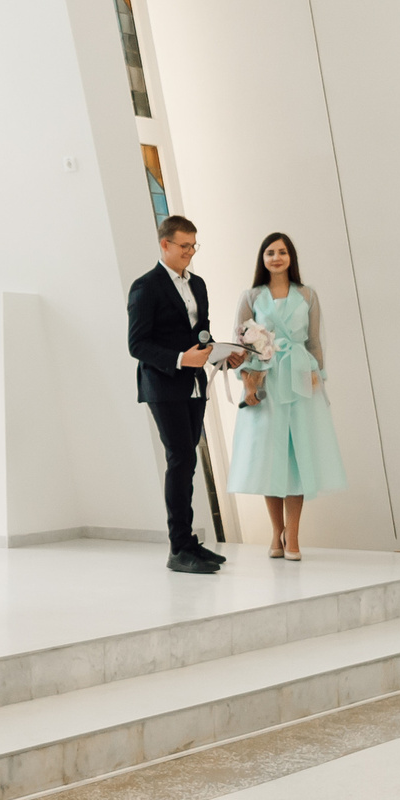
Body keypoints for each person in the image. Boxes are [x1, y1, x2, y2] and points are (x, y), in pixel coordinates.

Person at [228, 232, 346, 559]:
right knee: (270, 458)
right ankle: (275, 532)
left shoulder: (307, 295)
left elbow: (314, 341)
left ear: (290, 257)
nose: (276, 257)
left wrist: (318, 373)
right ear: (262, 259)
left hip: (299, 378)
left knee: (298, 456)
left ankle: (292, 535)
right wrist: (247, 382)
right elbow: (240, 346)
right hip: (266, 380)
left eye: (282, 252)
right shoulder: (251, 296)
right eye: (270, 252)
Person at [128, 215, 225, 574]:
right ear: (164, 244)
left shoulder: (197, 284)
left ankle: (188, 543)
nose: (190, 252)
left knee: (189, 462)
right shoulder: (146, 286)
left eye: (193, 246)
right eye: (184, 246)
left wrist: (220, 352)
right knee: (180, 458)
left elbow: (202, 331)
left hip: (195, 384)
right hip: (164, 384)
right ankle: (177, 548)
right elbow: (137, 344)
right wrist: (182, 359)